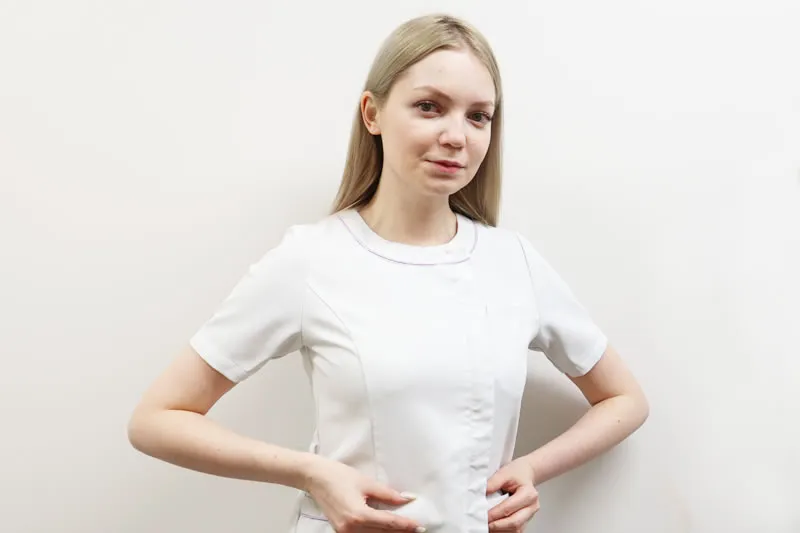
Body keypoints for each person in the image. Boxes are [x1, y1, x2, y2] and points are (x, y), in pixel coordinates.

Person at [127, 13, 649, 533]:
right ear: (372, 114)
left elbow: (625, 399)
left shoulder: (513, 263)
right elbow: (157, 419)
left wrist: (531, 470)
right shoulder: (310, 260)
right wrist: (311, 473)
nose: (456, 136)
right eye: (429, 107)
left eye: (478, 116)